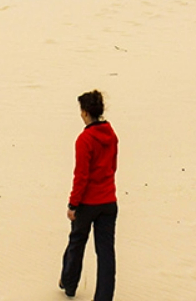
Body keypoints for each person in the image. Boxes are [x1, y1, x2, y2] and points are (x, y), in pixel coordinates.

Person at [59, 90, 119, 300]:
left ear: (85, 112)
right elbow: (113, 166)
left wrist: (73, 205)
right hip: (109, 201)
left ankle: (69, 283)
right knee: (106, 253)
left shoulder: (84, 139)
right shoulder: (111, 135)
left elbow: (81, 176)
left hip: (88, 202)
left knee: (77, 241)